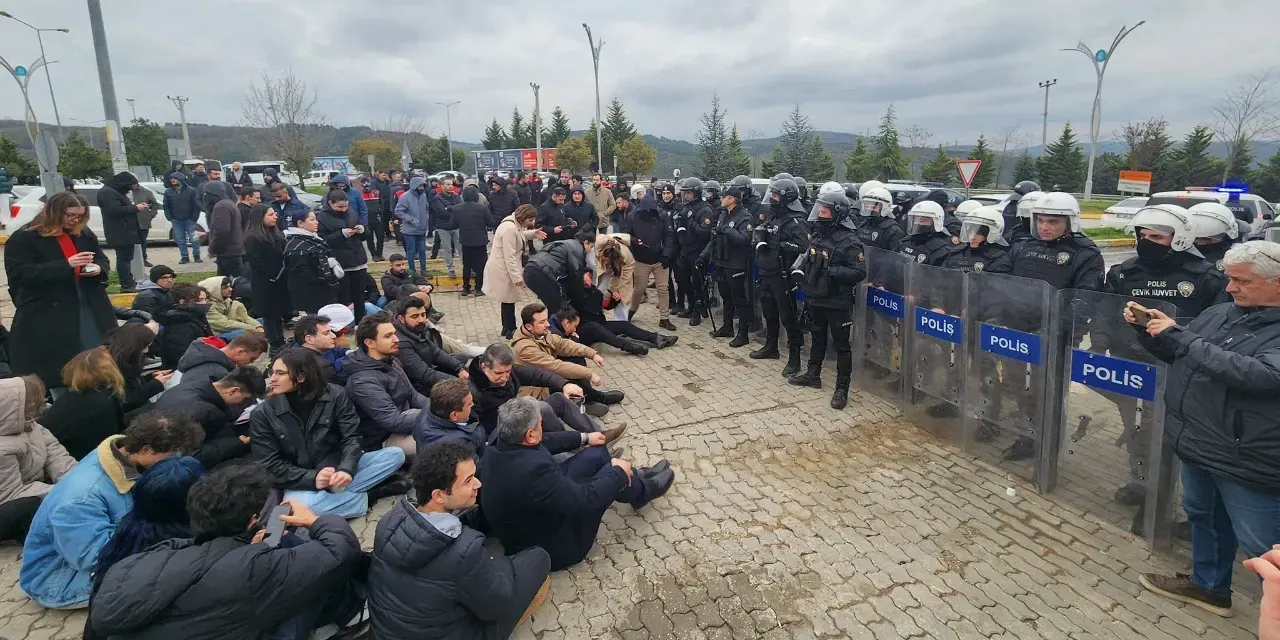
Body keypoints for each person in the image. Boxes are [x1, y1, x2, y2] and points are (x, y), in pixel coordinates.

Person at [1130, 240, 1280, 617]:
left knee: (1265, 546)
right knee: (1205, 518)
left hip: (1247, 456)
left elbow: (1261, 374)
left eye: (1241, 281)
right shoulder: (1224, 312)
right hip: (1199, 442)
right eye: (1229, 280)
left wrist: (1181, 336)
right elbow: (1184, 351)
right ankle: (1210, 587)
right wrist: (1151, 330)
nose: (1230, 288)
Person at [88, 463, 368, 639]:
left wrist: (257, 545)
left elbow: (210, 559)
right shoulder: (255, 568)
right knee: (303, 567)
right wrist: (315, 520)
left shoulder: (139, 559)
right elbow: (340, 551)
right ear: (250, 520)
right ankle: (353, 612)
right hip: (239, 608)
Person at [1094, 205, 1228, 510]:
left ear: (1180, 238)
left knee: (1167, 435)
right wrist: (1100, 344)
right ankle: (1141, 481)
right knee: (1136, 426)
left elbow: (1219, 323)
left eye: (1156, 236)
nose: (1146, 241)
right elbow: (1103, 310)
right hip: (1132, 364)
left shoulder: (1206, 277)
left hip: (1177, 367)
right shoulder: (1125, 271)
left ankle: (1162, 495)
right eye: (1142, 235)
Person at [369, 439, 552, 639]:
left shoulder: (388, 522)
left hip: (388, 632)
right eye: (468, 480)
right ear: (439, 495)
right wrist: (494, 565)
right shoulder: (465, 550)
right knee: (537, 557)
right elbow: (496, 607)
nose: (478, 483)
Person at [20, 411, 204, 609]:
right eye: (173, 455)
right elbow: (95, 558)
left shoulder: (124, 456)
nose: (178, 461)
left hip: (89, 552)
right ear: (147, 449)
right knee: (177, 576)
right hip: (59, 577)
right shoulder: (81, 498)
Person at [480, 397, 673, 571]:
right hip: (552, 545)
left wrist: (585, 437)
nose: (543, 427)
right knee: (610, 474)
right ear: (530, 434)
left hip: (537, 510)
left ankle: (635, 480)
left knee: (597, 453)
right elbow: (586, 500)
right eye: (541, 425)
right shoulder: (532, 473)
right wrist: (617, 474)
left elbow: (544, 441)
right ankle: (643, 489)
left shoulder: (500, 440)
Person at [998, 192, 1104, 461]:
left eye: (1053, 222)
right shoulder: (1022, 245)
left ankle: (1048, 444)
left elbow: (1084, 301)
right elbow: (1000, 281)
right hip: (1017, 332)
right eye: (1041, 220)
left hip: (1054, 336)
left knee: (1047, 391)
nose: (1045, 227)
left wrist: (1058, 333)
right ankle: (1028, 436)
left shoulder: (1085, 254)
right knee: (1018, 386)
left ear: (1069, 222)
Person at [250, 349, 408, 519]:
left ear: (301, 377)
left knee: (395, 455)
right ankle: (369, 496)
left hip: (336, 466)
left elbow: (352, 437)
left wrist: (346, 469)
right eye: (271, 372)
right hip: (298, 479)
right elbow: (269, 464)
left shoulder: (335, 395)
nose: (272, 379)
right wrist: (313, 478)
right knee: (300, 509)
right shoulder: (262, 413)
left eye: (280, 373)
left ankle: (336, 495)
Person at [5, 192, 115, 389]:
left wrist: (98, 269)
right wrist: (66, 265)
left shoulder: (83, 232)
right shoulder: (25, 238)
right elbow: (20, 274)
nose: (76, 220)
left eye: (80, 215)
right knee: (59, 366)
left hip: (89, 305)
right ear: (54, 213)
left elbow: (101, 259)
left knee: (97, 358)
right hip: (49, 311)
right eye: (71, 215)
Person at [788, 190, 867, 410]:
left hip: (837, 302)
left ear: (837, 213)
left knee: (842, 346)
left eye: (825, 210)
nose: (820, 213)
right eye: (819, 209)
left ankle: (842, 389)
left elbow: (859, 272)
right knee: (817, 338)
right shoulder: (819, 235)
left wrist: (830, 271)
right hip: (816, 297)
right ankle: (813, 375)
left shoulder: (850, 241)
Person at [0, 376, 76, 542]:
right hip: (8, 506)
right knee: (35, 508)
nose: (41, 409)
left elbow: (57, 456)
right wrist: (60, 492)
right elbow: (11, 494)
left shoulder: (32, 427)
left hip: (33, 489)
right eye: (33, 407)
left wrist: (79, 482)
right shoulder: (3, 447)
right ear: (14, 408)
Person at [342, 312, 429, 456]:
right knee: (446, 441)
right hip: (384, 439)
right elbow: (393, 421)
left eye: (394, 334)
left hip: (406, 418)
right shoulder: (362, 381)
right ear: (370, 343)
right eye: (388, 336)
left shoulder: (391, 360)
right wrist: (437, 415)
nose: (396, 339)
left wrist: (443, 407)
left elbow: (413, 396)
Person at [513, 303, 624, 411]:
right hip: (537, 391)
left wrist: (592, 354)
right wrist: (589, 374)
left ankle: (588, 397)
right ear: (529, 326)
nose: (547, 324)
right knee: (566, 372)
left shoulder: (540, 333)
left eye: (546, 320)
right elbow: (554, 366)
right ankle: (580, 405)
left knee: (576, 358)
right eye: (542, 322)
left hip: (547, 379)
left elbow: (564, 344)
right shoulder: (525, 348)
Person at [154, 367, 264, 469]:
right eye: (246, 399)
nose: (244, 404)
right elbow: (188, 456)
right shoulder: (201, 411)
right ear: (233, 391)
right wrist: (237, 443)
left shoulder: (192, 386)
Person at [753, 178, 810, 371]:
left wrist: (785, 246)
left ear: (787, 198)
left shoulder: (796, 221)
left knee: (789, 317)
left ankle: (795, 359)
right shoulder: (773, 216)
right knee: (769, 312)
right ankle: (771, 347)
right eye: (773, 194)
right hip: (767, 272)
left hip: (783, 276)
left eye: (776, 195)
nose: (772, 198)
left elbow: (805, 250)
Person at [40, 348, 129, 460]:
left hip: (51, 451)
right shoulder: (103, 402)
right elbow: (106, 446)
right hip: (72, 459)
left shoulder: (70, 396)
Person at [698, 177, 754, 347]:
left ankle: (743, 334)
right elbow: (714, 238)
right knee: (726, 297)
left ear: (731, 199)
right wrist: (704, 255)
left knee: (739, 299)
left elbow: (745, 240)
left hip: (736, 264)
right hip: (721, 262)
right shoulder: (723, 215)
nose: (720, 199)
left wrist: (727, 230)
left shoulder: (745, 217)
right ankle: (727, 327)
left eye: (724, 197)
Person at [621, 187, 677, 330]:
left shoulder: (662, 215)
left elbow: (669, 236)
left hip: (659, 259)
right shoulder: (632, 216)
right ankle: (631, 311)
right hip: (641, 259)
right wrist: (634, 241)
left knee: (663, 289)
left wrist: (666, 255)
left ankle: (664, 318)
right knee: (639, 289)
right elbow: (625, 235)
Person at [485, 205, 544, 339]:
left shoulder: (512, 224)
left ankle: (506, 328)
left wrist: (533, 233)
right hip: (504, 269)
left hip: (505, 267)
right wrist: (517, 278)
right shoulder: (509, 229)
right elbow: (509, 256)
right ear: (523, 218)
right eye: (530, 220)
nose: (532, 223)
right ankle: (510, 329)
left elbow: (520, 234)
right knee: (508, 299)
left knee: (507, 299)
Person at [393, 296, 465, 395]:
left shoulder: (417, 329)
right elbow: (424, 375)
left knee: (462, 358)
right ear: (401, 318)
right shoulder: (401, 342)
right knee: (466, 389)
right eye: (415, 316)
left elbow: (436, 353)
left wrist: (459, 368)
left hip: (428, 368)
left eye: (423, 315)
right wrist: (456, 382)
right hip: (420, 386)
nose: (421, 320)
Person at [244, 203, 291, 353]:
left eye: (274, 214)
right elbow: (256, 261)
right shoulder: (253, 237)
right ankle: (275, 344)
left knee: (278, 314)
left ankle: (281, 341)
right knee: (270, 316)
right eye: (270, 215)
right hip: (266, 281)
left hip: (279, 280)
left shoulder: (276, 234)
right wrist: (272, 274)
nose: (275, 217)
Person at [318, 190, 370, 325]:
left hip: (358, 260)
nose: (343, 209)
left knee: (359, 295)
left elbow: (366, 236)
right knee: (342, 296)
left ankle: (360, 322)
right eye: (340, 207)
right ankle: (342, 324)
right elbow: (322, 241)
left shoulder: (352, 213)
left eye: (346, 206)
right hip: (341, 264)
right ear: (330, 203)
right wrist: (341, 234)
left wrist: (362, 230)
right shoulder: (322, 217)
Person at [523, 230, 597, 318]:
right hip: (542, 273)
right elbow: (575, 276)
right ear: (586, 242)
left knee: (554, 304)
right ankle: (557, 329)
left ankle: (553, 327)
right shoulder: (578, 249)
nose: (590, 250)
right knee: (560, 308)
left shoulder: (565, 243)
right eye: (591, 247)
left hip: (530, 268)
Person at [673, 178, 715, 327]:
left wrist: (691, 222)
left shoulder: (705, 210)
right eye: (685, 193)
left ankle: (697, 312)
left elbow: (705, 232)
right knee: (682, 280)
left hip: (698, 252)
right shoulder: (686, 207)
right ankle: (690, 306)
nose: (686, 196)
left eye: (688, 193)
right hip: (686, 250)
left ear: (696, 193)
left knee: (697, 283)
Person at [284, 208, 341, 314]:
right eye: (312, 219)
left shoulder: (314, 239)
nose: (316, 222)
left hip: (324, 291)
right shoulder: (296, 245)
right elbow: (302, 273)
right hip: (310, 295)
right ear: (300, 223)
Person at [104, 323, 171, 414]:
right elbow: (126, 402)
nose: (146, 351)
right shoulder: (112, 367)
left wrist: (150, 378)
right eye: (145, 347)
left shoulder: (124, 359)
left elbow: (132, 384)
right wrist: (155, 385)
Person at [98, 172, 148, 292]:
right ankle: (126, 284)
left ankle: (129, 281)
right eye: (130, 185)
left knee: (127, 258)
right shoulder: (108, 192)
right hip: (119, 232)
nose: (131, 189)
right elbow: (114, 210)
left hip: (124, 231)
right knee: (123, 259)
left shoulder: (115, 191)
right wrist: (136, 208)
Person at [171, 331, 268, 388]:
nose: (252, 362)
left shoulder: (203, 354)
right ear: (239, 352)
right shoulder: (217, 372)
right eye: (251, 358)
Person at [155, 283, 213, 369]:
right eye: (199, 300)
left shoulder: (195, 316)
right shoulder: (179, 324)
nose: (204, 303)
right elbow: (181, 355)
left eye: (205, 299)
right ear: (182, 302)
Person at [940, 205, 1011, 274]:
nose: (972, 237)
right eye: (970, 232)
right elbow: (942, 278)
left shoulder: (998, 259)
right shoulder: (956, 253)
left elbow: (998, 284)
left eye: (979, 234)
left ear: (992, 233)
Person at [453, 185, 494, 297]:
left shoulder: (457, 208)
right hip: (480, 241)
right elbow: (490, 222)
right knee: (480, 266)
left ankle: (466, 288)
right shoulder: (482, 208)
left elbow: (453, 224)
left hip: (465, 241)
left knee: (467, 265)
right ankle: (479, 288)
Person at [291, 311, 351, 383]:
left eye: (331, 332)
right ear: (309, 339)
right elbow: (337, 389)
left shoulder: (300, 346)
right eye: (326, 333)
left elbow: (334, 350)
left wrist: (347, 352)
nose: (333, 336)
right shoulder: (320, 368)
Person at [197, 275, 262, 339]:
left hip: (235, 326)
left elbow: (245, 317)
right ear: (214, 290)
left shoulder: (227, 301)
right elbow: (225, 325)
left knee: (263, 321)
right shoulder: (208, 306)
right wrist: (253, 329)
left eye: (229, 286)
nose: (230, 289)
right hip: (219, 335)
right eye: (225, 287)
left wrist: (258, 326)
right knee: (244, 332)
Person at [1189, 202, 1244, 271]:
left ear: (1227, 237)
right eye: (1195, 239)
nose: (1200, 243)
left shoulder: (1238, 259)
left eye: (1206, 239)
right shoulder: (1179, 256)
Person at [898, 200, 955, 266]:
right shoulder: (905, 241)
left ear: (936, 221)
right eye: (917, 218)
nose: (920, 221)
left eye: (926, 218)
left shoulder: (942, 250)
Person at [162, 173, 202, 264]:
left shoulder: (191, 191)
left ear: (181, 179)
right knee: (180, 239)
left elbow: (196, 205)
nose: (172, 180)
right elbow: (165, 206)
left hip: (190, 219)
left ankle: (197, 256)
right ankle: (184, 257)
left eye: (175, 178)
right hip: (176, 220)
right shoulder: (168, 191)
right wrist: (169, 217)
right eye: (171, 178)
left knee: (194, 238)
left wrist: (194, 217)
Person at [394, 177, 432, 273]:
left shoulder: (423, 196)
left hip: (422, 228)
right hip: (409, 230)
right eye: (419, 186)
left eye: (423, 185)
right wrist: (410, 219)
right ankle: (412, 271)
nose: (422, 188)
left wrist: (425, 218)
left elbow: (426, 208)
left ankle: (424, 270)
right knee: (411, 251)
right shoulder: (405, 196)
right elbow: (398, 211)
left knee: (422, 251)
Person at [855, 186, 907, 252]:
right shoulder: (863, 224)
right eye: (867, 206)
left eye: (873, 207)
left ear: (885, 207)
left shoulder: (893, 231)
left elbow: (895, 257)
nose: (869, 209)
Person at [431, 179, 462, 277]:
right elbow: (441, 212)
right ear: (442, 186)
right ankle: (451, 269)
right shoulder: (437, 198)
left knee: (461, 248)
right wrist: (453, 209)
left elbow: (460, 208)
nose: (450, 186)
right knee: (447, 248)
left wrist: (448, 208)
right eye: (448, 184)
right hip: (443, 227)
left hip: (456, 226)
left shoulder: (456, 196)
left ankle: (467, 267)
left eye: (451, 184)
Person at [129, 181, 159, 268]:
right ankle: (132, 260)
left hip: (143, 221)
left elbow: (155, 204)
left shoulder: (146, 192)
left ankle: (143, 259)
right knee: (131, 242)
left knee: (142, 241)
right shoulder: (125, 192)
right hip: (129, 222)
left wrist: (152, 214)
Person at [360, 176, 386, 261]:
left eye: (367, 182)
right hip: (367, 220)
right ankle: (373, 255)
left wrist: (380, 210)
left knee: (380, 237)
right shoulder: (360, 194)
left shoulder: (376, 192)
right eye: (364, 183)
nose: (366, 184)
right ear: (361, 184)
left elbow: (382, 202)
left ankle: (380, 253)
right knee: (369, 238)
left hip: (377, 218)